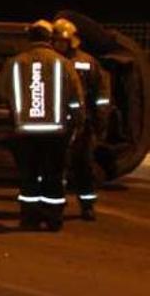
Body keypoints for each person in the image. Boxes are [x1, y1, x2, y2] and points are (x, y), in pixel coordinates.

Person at [2, 20, 84, 231]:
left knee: (29, 175)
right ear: (50, 39)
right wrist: (77, 122)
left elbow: (2, 92)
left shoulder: (15, 63)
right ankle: (53, 218)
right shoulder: (63, 63)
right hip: (55, 132)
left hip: (25, 130)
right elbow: (76, 98)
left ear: (30, 38)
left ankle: (29, 218)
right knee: (53, 175)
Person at [52, 18, 111, 221]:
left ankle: (87, 204)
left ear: (71, 41)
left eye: (62, 41)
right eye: (56, 41)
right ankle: (56, 203)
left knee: (83, 165)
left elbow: (101, 94)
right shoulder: (51, 61)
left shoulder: (87, 62)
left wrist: (100, 120)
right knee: (56, 166)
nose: (59, 44)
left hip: (82, 123)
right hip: (56, 122)